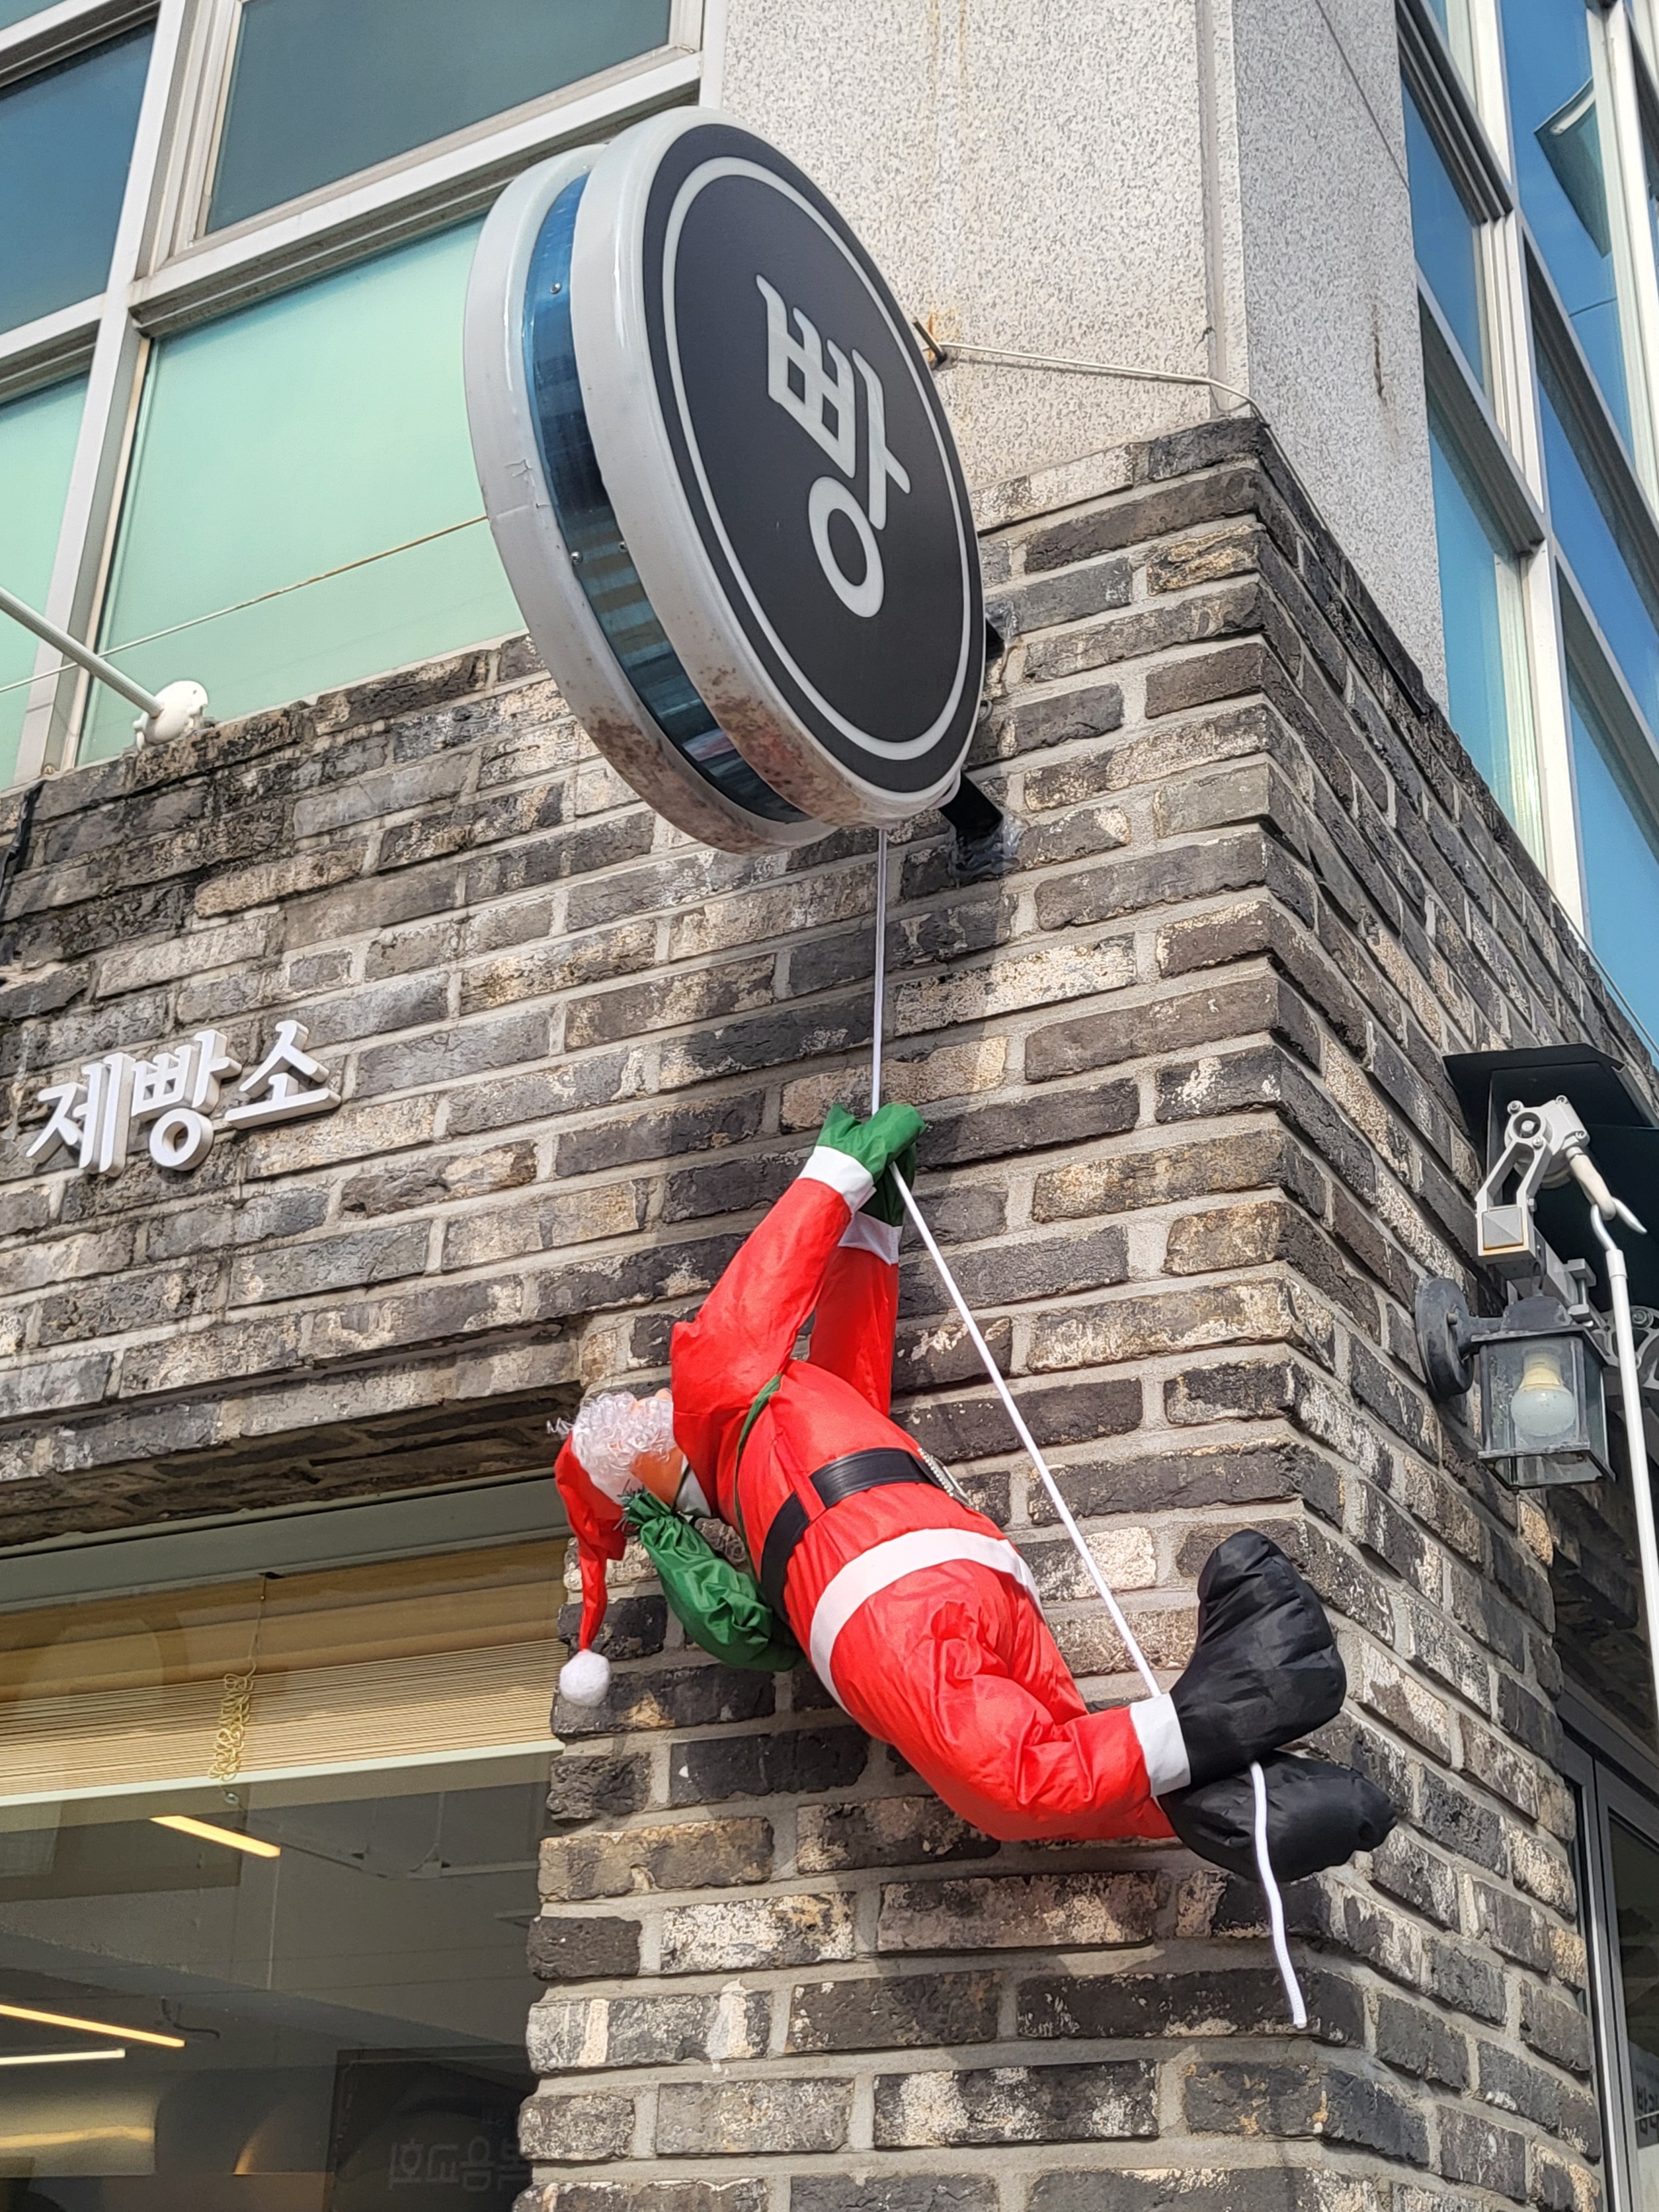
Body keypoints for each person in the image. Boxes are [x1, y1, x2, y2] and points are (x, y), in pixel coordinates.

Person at [554, 1102, 1393, 1877]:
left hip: (886, 1600)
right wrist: (862, 1215)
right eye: (630, 1419)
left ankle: (1247, 1685)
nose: (648, 1400)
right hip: (971, 1574)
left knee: (1011, 1786)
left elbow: (750, 1310)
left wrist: (844, 1184)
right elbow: (832, 1343)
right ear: (648, 1480)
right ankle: (1241, 1806)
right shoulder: (762, 1422)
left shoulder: (732, 1407)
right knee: (1065, 1751)